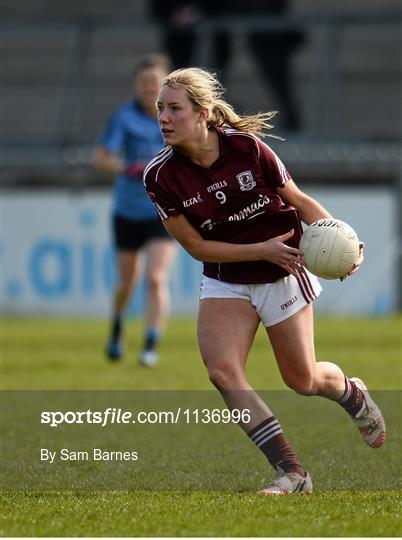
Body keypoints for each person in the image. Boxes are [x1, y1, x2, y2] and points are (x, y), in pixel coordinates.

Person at [143, 67, 386, 493]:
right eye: (160, 108)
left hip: (283, 271)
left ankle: (351, 393)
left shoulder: (248, 148)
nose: (163, 117)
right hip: (226, 277)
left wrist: (345, 241)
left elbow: (298, 201)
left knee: (303, 380)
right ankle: (292, 473)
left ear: (202, 114)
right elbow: (198, 248)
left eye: (174, 108)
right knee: (222, 370)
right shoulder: (160, 176)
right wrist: (260, 249)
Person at [93, 55, 177, 367]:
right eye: (144, 83)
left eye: (155, 83)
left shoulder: (175, 116)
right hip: (127, 211)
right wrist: (128, 167)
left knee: (155, 278)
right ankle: (117, 325)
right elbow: (100, 157)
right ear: (135, 85)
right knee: (127, 283)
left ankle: (150, 344)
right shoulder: (123, 117)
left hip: (162, 211)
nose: (149, 88)